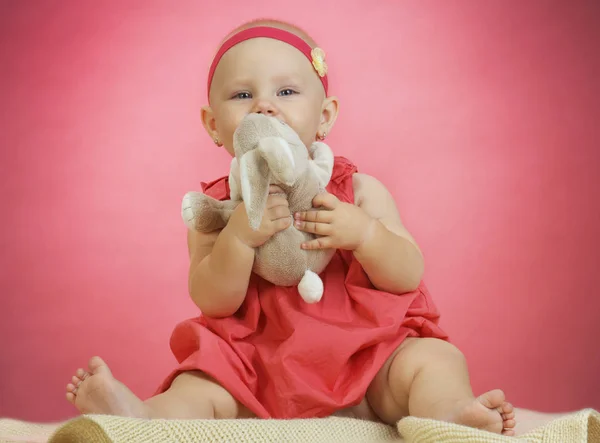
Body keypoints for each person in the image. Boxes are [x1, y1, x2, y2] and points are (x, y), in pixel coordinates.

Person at [65, 19, 516, 436]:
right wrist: (239, 238)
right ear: (213, 125)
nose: (264, 105)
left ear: (325, 116)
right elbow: (211, 299)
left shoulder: (357, 190)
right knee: (200, 384)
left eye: (286, 92)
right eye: (242, 95)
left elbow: (407, 273)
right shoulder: (216, 208)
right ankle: (142, 420)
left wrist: (366, 235)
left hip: (364, 358)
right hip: (257, 368)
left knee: (431, 359)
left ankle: (451, 413)